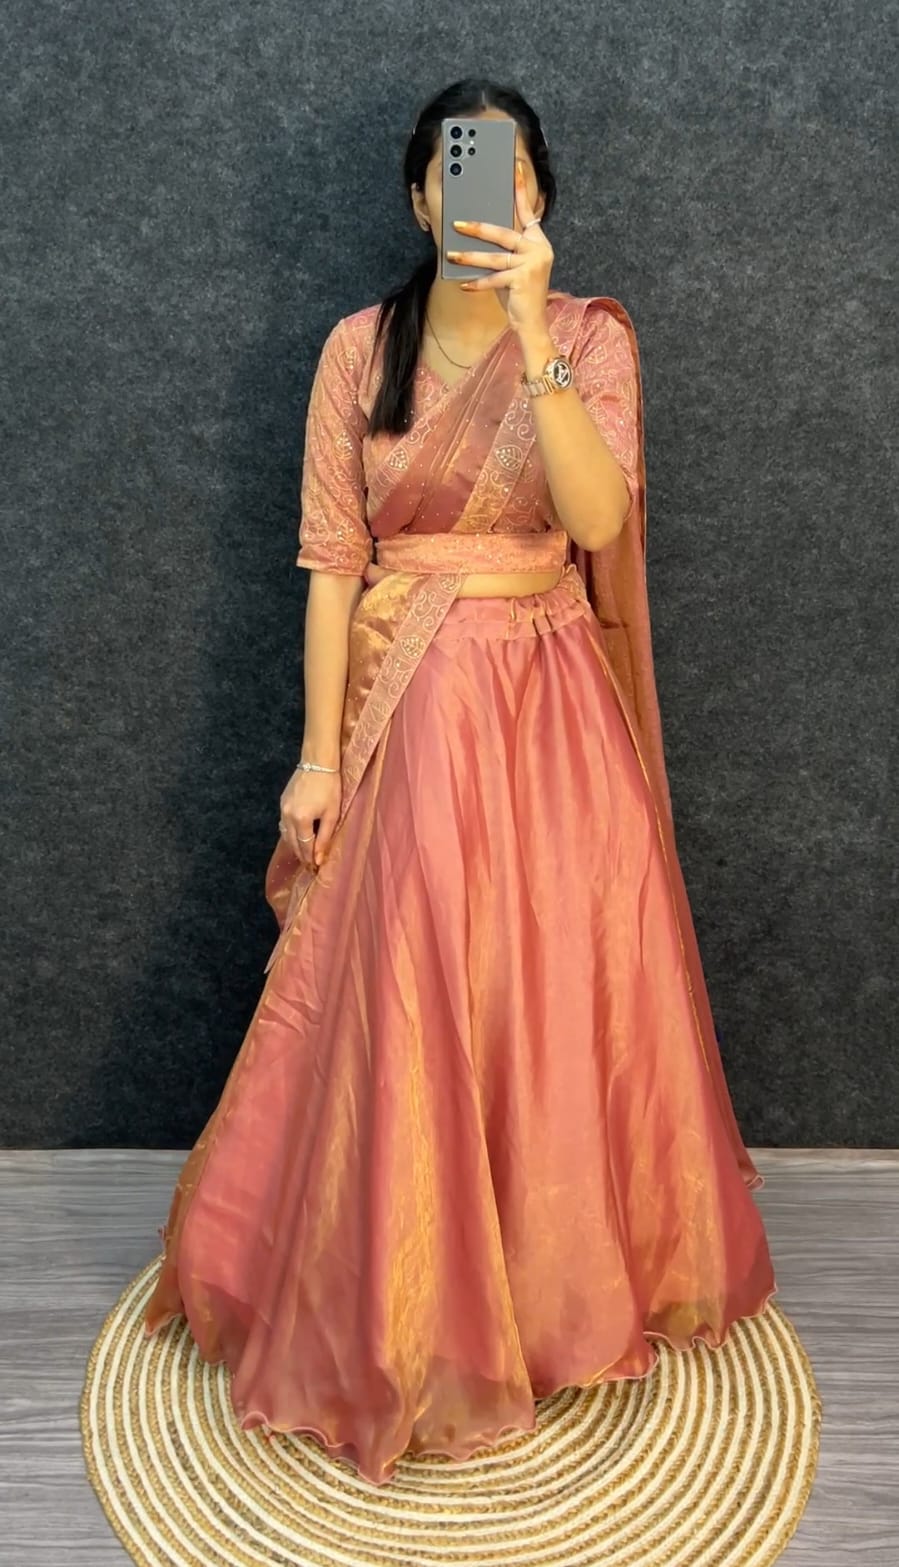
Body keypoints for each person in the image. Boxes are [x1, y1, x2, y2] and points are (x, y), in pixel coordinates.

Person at [142, 77, 777, 1488]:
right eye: (454, 172)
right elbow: (331, 566)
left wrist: (537, 332)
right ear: (421, 196)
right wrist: (317, 755)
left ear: (538, 195)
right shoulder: (358, 349)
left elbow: (598, 522)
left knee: (548, 987)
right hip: (412, 703)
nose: (481, 196)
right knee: (417, 986)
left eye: (509, 175)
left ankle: (544, 1305)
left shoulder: (592, 338)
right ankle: (411, 1305)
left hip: (550, 703)